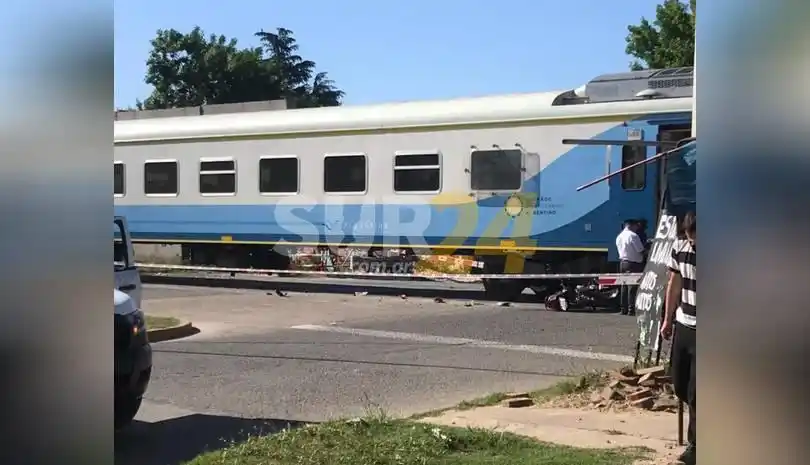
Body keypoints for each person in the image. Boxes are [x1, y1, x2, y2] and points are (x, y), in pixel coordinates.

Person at [661, 211, 696, 465]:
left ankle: (696, 447)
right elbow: (674, 282)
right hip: (684, 324)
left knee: (699, 392)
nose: (693, 243)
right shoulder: (680, 247)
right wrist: (667, 318)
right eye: (689, 237)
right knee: (680, 385)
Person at [615, 220, 645, 315]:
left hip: (623, 263)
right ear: (631, 225)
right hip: (633, 264)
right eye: (636, 226)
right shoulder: (633, 236)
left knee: (623, 286)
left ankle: (623, 309)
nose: (637, 228)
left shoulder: (619, 236)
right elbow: (640, 250)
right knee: (632, 288)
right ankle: (631, 310)